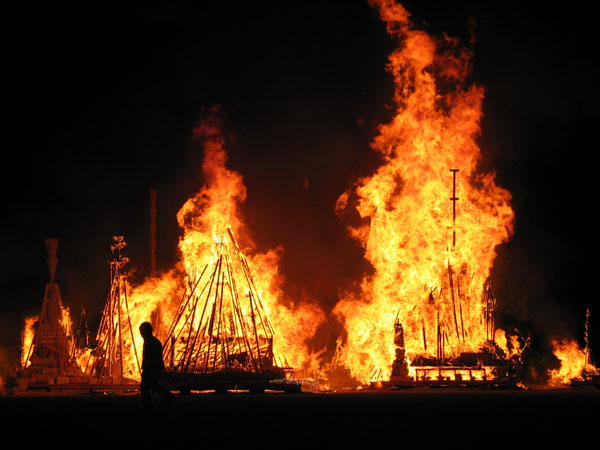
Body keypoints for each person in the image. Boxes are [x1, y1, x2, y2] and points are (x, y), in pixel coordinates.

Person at [139, 321, 174, 410]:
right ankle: (168, 397)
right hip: (154, 368)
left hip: (152, 368)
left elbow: (149, 357)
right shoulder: (152, 341)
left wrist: (146, 369)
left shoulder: (151, 342)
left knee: (146, 387)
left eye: (142, 331)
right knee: (153, 385)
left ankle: (148, 406)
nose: (141, 334)